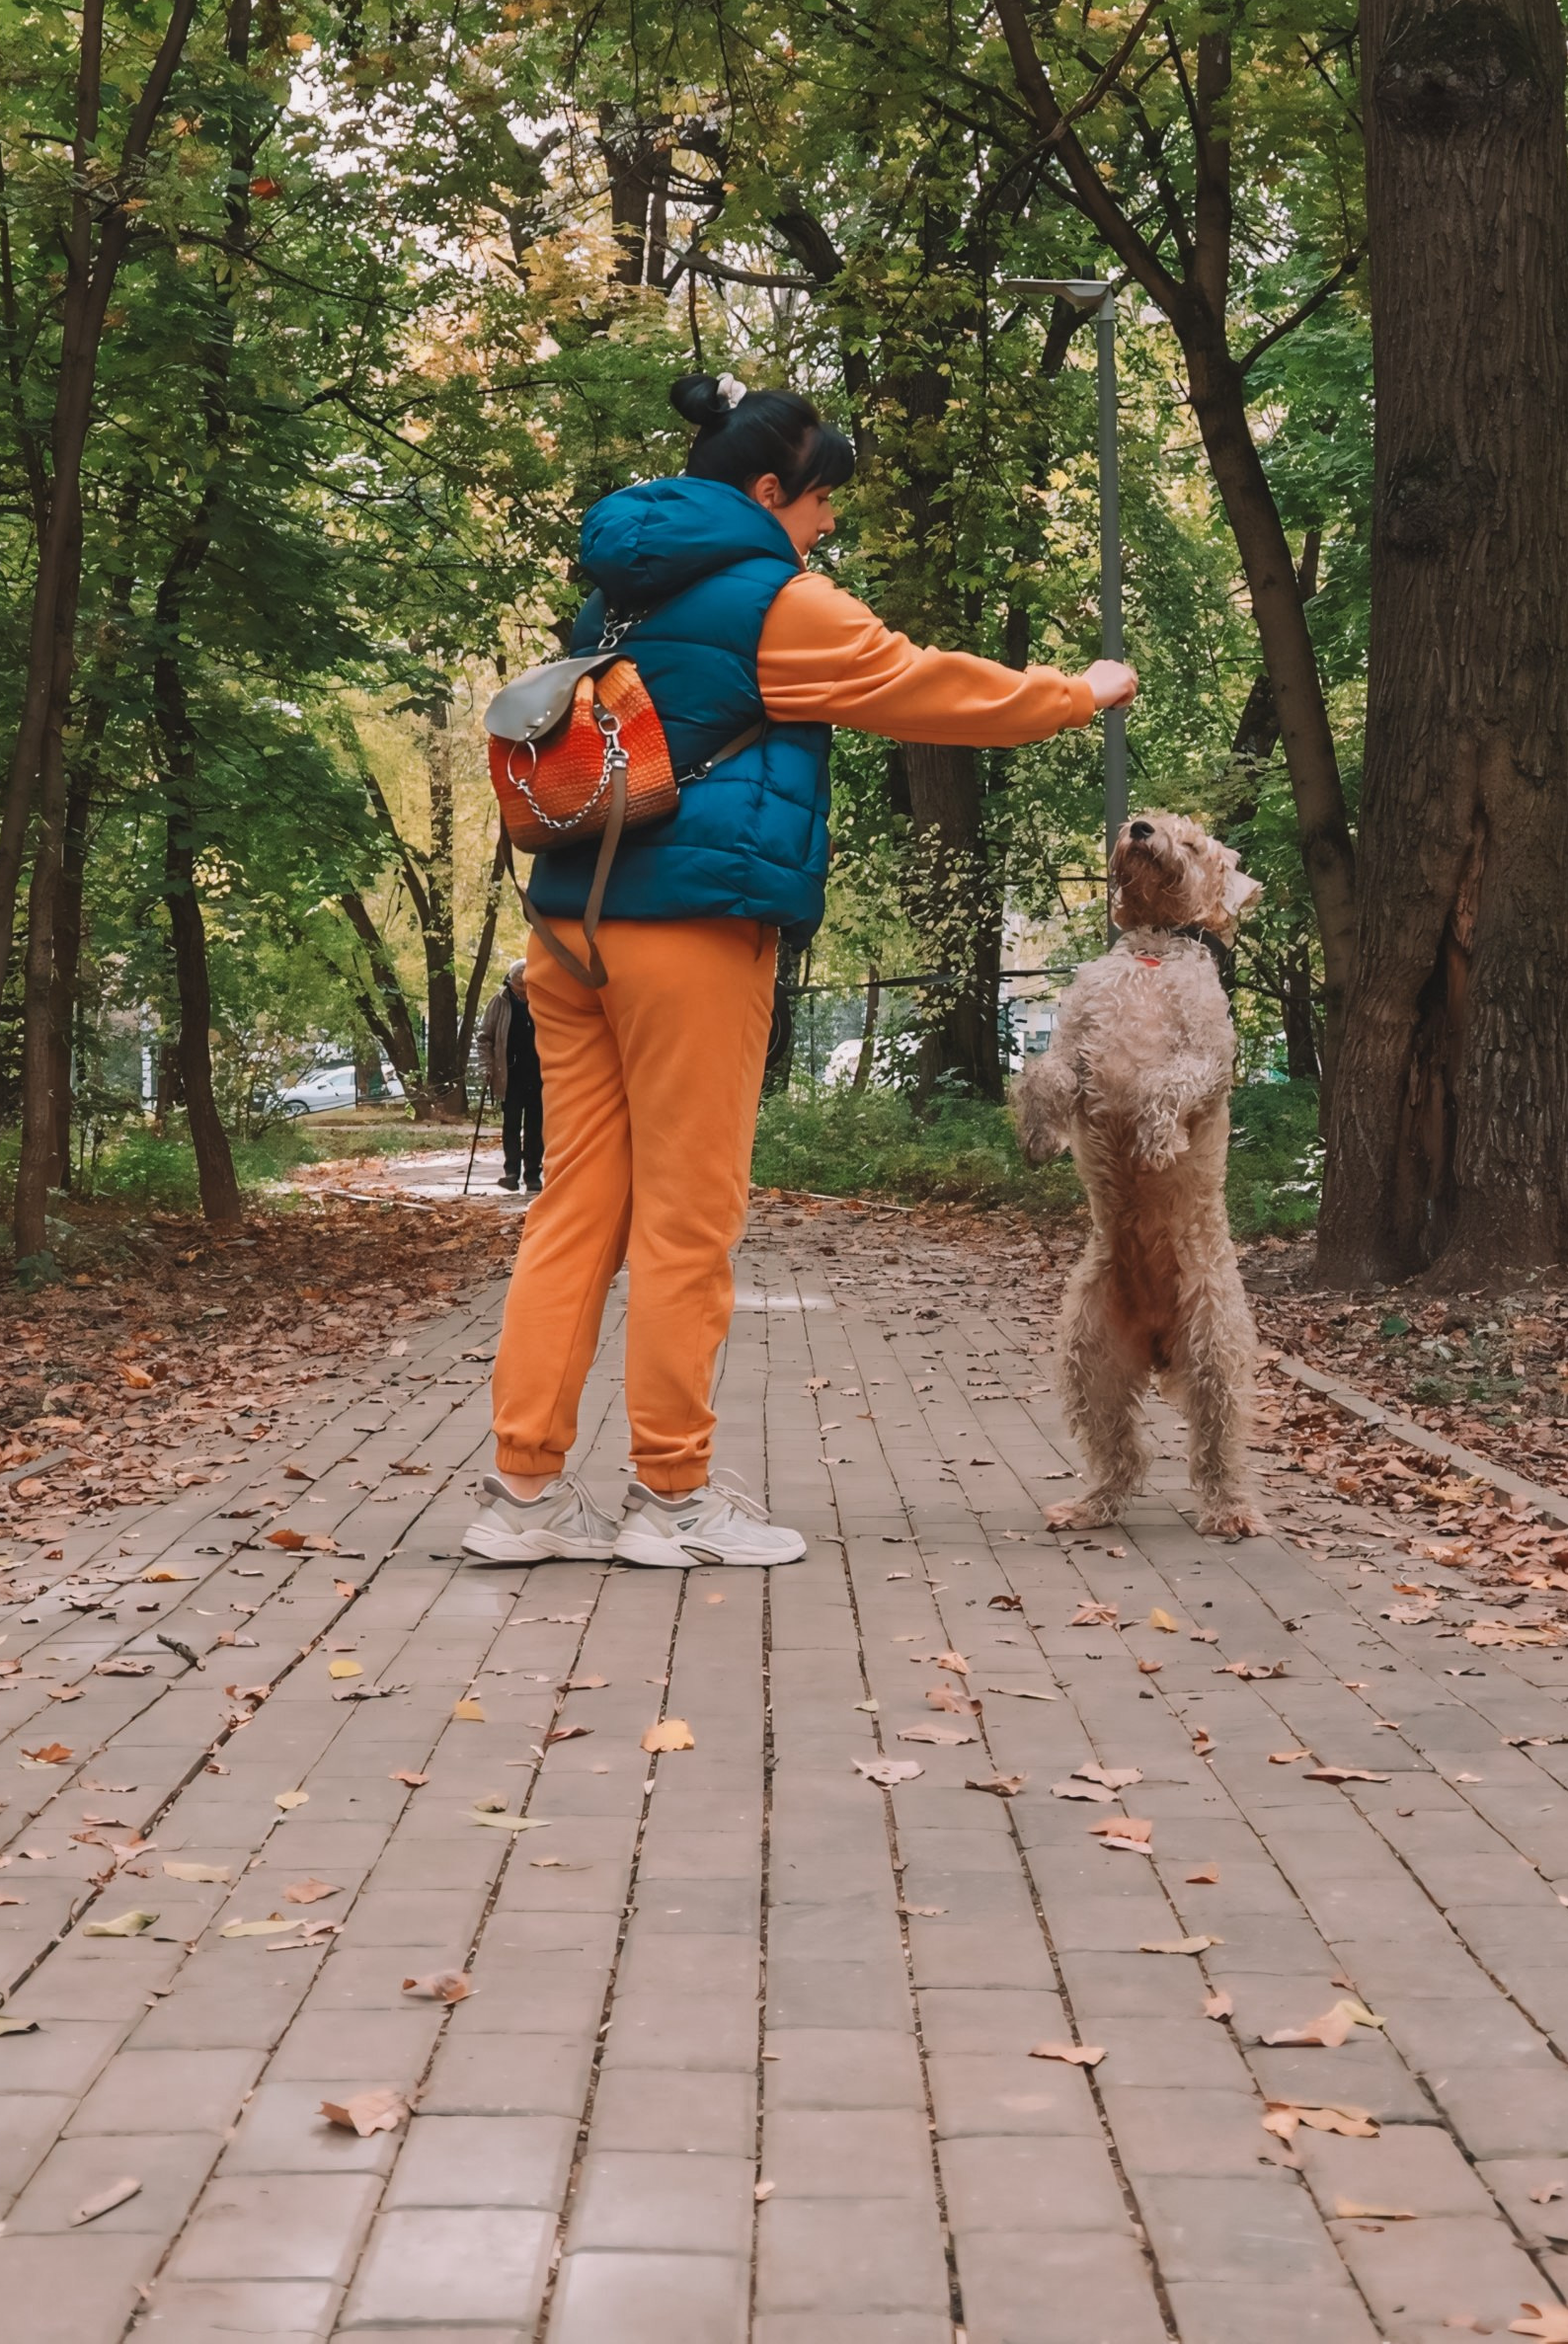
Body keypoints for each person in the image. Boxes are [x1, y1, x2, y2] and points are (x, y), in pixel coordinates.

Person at [465, 372, 1137, 1570]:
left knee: (576, 1208)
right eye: (822, 501)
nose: (828, 524)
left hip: (564, 937)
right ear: (770, 490)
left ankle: (522, 1495)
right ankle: (670, 1499)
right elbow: (933, 689)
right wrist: (1075, 696)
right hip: (692, 935)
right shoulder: (780, 603)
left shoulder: (613, 603)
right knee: (686, 1220)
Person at [478, 959, 543, 1195]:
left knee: (536, 1126)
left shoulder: (542, 999)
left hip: (538, 1074)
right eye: (518, 986)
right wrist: (487, 1067)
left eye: (526, 986)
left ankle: (533, 1173)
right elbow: (484, 1038)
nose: (523, 991)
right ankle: (511, 1173)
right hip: (510, 1074)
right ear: (510, 982)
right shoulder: (499, 1002)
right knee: (512, 1125)